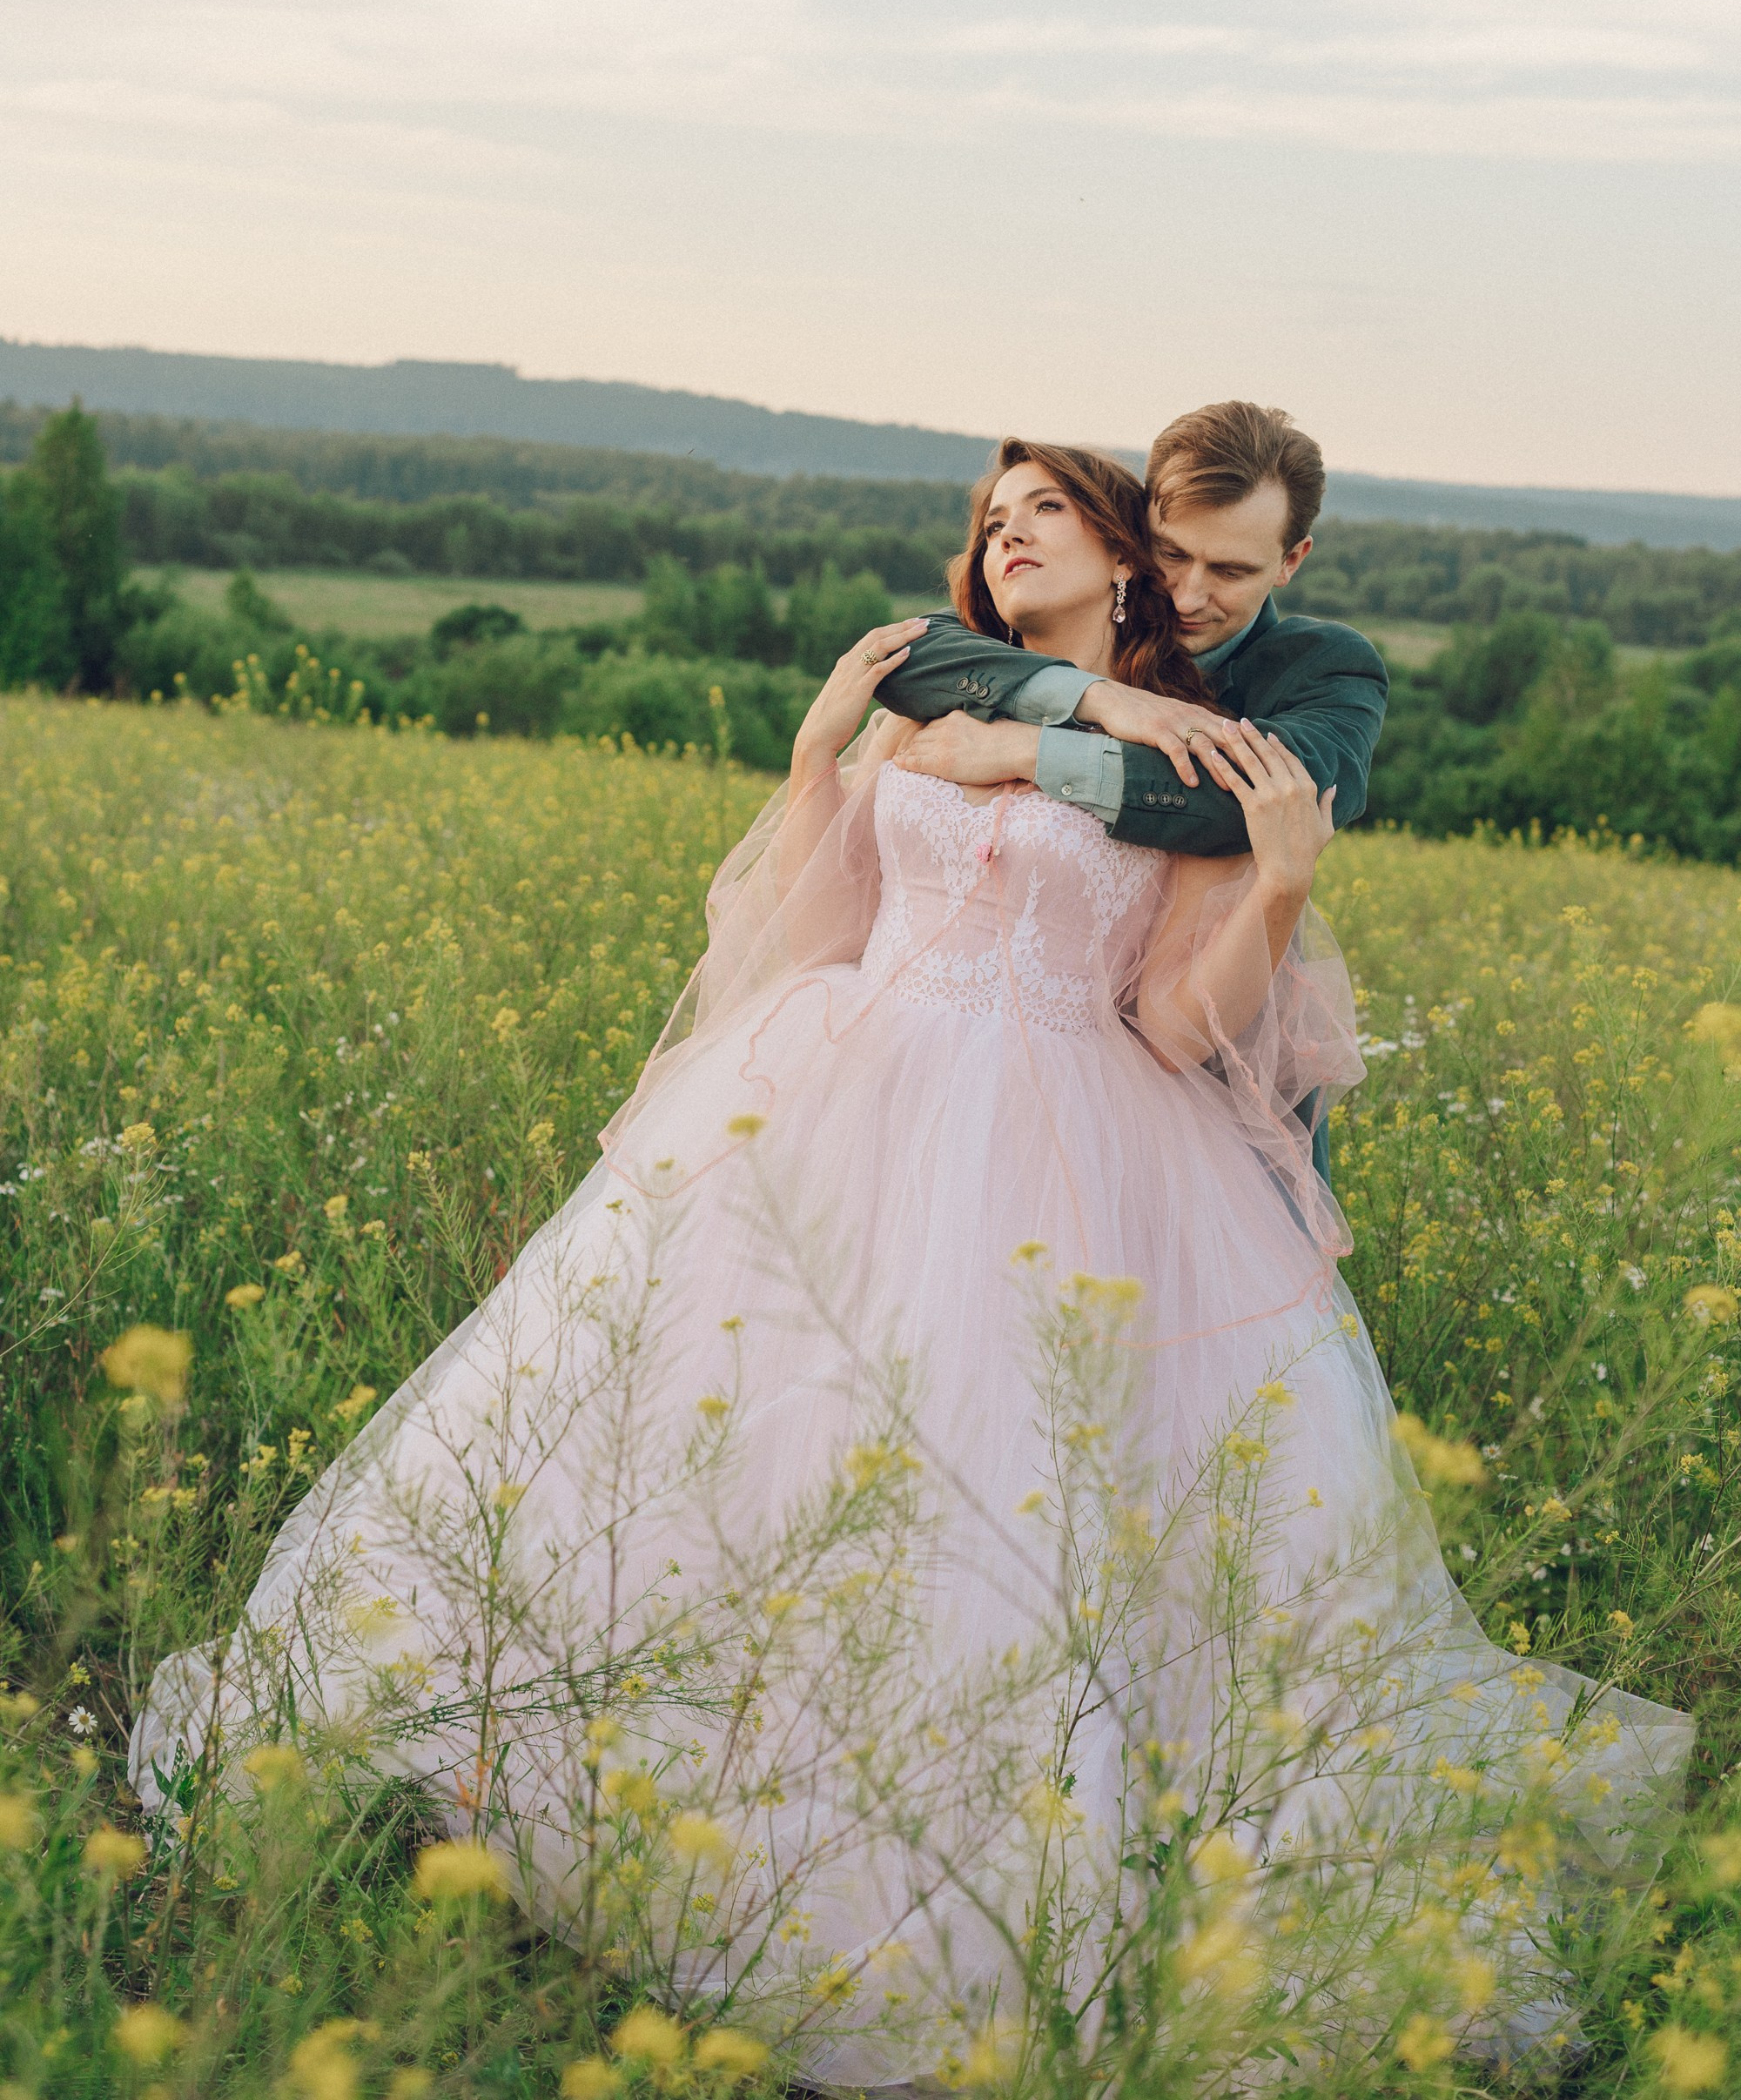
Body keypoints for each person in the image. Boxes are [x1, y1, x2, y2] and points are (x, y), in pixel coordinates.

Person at [131, 442, 1687, 2084]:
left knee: (990, 1498)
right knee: (703, 1446)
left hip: (1064, 1147)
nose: (1007, 538)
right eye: (990, 520)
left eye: (1046, 516)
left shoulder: (1200, 753)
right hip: (831, 1098)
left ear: (1123, 555)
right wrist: (820, 764)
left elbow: (1176, 1026)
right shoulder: (923, 697)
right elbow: (808, 944)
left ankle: (927, 1874)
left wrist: (1281, 879)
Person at [875, 401, 1390, 1186]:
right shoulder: (1065, 620)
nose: (1186, 595)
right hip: (985, 1069)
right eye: (1172, 555)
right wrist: (1096, 699)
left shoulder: (1324, 668)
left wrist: (1029, 748)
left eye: (1230, 571)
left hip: (1206, 1098)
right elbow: (918, 654)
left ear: (1292, 560)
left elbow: (1237, 803)